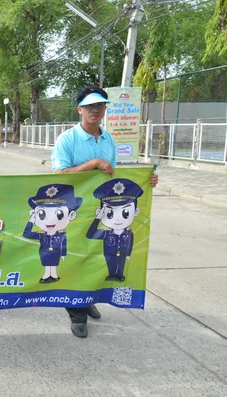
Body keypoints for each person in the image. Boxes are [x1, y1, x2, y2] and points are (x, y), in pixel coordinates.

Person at [51, 86, 159, 338]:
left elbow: (115, 176)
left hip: (103, 211)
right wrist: (93, 164)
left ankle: (87, 298)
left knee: (97, 257)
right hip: (75, 210)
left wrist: (146, 181)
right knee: (77, 258)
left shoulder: (108, 138)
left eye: (100, 106)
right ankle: (76, 312)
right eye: (90, 106)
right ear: (80, 110)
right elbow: (58, 175)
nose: (95, 110)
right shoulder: (67, 139)